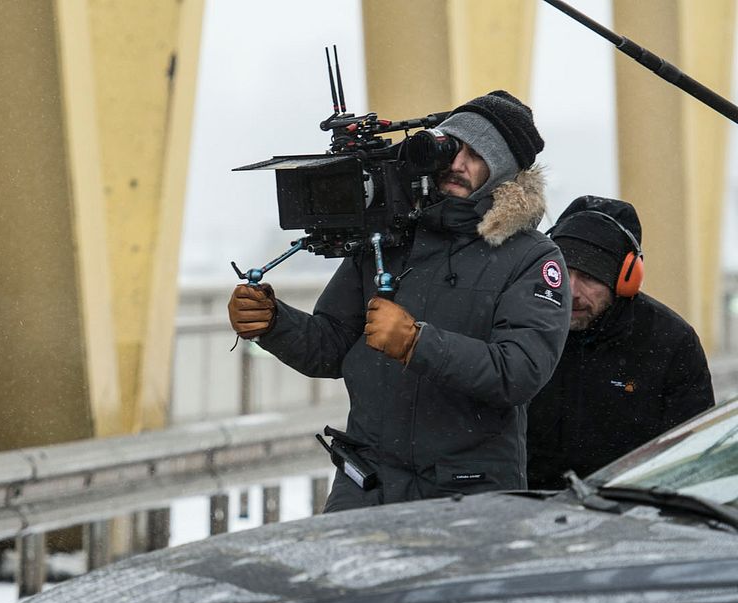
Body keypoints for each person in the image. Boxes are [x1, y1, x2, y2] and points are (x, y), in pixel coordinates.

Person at [228, 90, 570, 512]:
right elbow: (331, 348)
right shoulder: (387, 240)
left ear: (502, 173)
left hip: (468, 494)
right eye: (450, 147)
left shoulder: (532, 257)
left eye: (477, 155)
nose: (457, 164)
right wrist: (273, 322)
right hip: (366, 485)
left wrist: (417, 343)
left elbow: (519, 372)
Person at [527, 196, 714, 488]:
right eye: (562, 273)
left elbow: (691, 459)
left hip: (629, 512)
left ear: (625, 281)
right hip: (526, 509)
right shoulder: (526, 323)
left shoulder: (672, 342)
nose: (571, 291)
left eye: (589, 277)